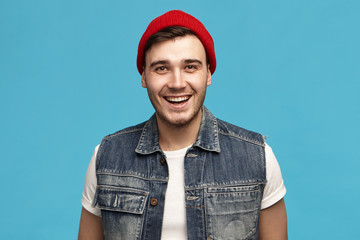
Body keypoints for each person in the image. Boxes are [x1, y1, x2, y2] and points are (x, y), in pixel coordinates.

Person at [78, 10, 287, 240]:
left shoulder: (258, 157)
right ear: (144, 76)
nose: (177, 83)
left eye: (190, 67)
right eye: (161, 68)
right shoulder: (106, 158)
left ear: (208, 73)